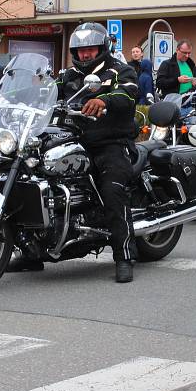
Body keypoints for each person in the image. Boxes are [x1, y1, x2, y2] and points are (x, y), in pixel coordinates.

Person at [52, 22, 140, 283]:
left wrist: (105, 100)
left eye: (90, 49)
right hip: (71, 141)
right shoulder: (68, 75)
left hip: (110, 143)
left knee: (112, 189)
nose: (85, 55)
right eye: (80, 51)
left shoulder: (119, 71)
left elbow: (129, 95)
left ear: (101, 48)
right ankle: (32, 251)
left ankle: (124, 255)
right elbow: (47, 90)